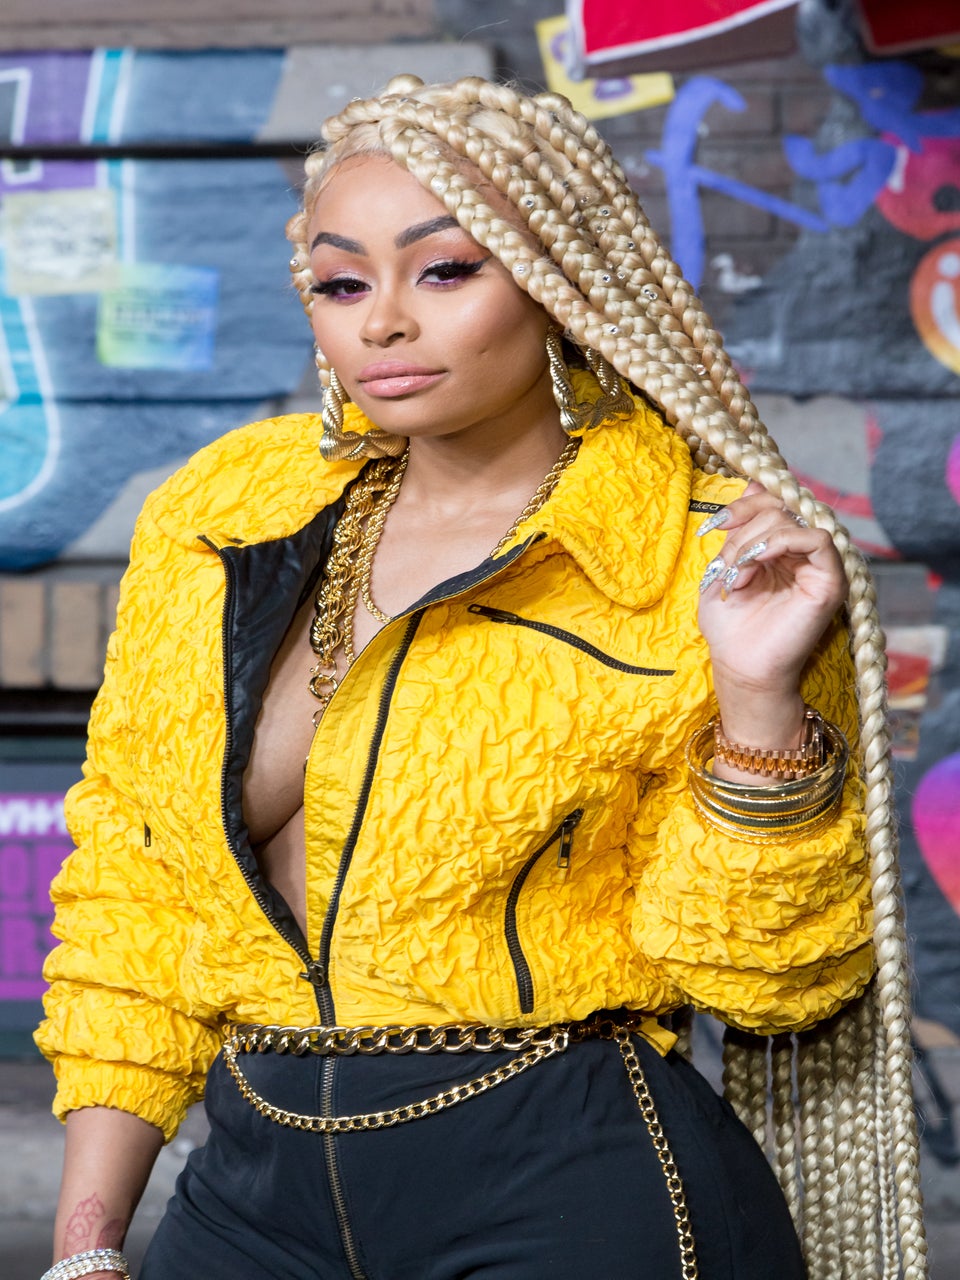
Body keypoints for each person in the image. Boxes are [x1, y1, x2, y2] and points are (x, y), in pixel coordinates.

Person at [36, 75, 927, 1280]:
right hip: (254, 1195)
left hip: (573, 1185)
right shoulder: (223, 518)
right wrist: (85, 1244)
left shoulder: (708, 557)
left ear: (557, 283)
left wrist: (760, 700)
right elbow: (134, 892)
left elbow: (769, 980)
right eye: (342, 283)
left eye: (446, 271)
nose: (384, 324)